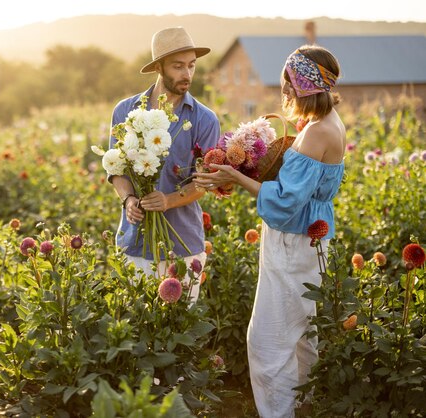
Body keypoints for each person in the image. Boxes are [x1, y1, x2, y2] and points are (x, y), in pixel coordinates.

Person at [193, 45, 346, 417]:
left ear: (302, 84)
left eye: (288, 83)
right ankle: (306, 407)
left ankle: (279, 413)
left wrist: (236, 178)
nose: (286, 91)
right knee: (301, 338)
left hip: (294, 243)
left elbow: (283, 201)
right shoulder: (325, 125)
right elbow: (298, 188)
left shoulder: (316, 133)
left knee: (268, 343)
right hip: (308, 240)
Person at [108, 27, 220, 303]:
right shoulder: (126, 111)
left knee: (180, 329)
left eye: (192, 65)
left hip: (182, 245)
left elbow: (204, 182)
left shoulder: (205, 120)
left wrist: (168, 200)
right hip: (134, 242)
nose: (187, 74)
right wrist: (128, 199)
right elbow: (116, 168)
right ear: (158, 67)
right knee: (135, 328)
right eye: (178, 66)